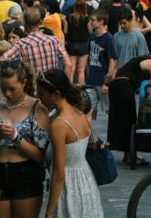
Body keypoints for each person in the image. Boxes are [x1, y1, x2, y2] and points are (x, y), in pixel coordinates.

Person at [0, 60, 50, 218]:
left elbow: (41, 157)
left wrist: (15, 138)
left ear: (24, 83)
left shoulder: (37, 108)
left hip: (27, 175)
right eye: (3, 89)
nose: (7, 94)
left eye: (12, 89)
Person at [37, 70, 104, 218]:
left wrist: (48, 213)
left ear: (55, 94)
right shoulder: (79, 113)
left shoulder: (59, 125)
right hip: (86, 183)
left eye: (42, 94)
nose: (40, 99)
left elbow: (59, 174)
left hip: (69, 188)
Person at [107, 44, 151, 166]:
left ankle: (127, 153)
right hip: (124, 85)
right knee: (130, 119)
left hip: (117, 85)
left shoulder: (149, 59)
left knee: (123, 120)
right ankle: (130, 155)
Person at [0, 8, 72, 75]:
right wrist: (65, 85)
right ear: (40, 22)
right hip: (52, 87)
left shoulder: (20, 44)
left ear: (24, 24)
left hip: (31, 87)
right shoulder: (54, 40)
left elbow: (0, 62)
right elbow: (68, 64)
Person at [86, 9, 117, 115]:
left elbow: (112, 60)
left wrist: (107, 83)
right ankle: (88, 132)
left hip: (102, 80)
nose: (90, 22)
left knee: (109, 110)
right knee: (88, 110)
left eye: (93, 20)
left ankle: (115, 131)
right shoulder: (92, 37)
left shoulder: (109, 38)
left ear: (101, 21)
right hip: (91, 80)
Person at [64, 0, 90, 84]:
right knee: (81, 70)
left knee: (72, 69)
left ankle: (70, 89)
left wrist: (65, 22)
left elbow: (65, 31)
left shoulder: (69, 17)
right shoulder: (87, 18)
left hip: (71, 45)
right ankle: (81, 90)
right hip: (83, 45)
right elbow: (90, 31)